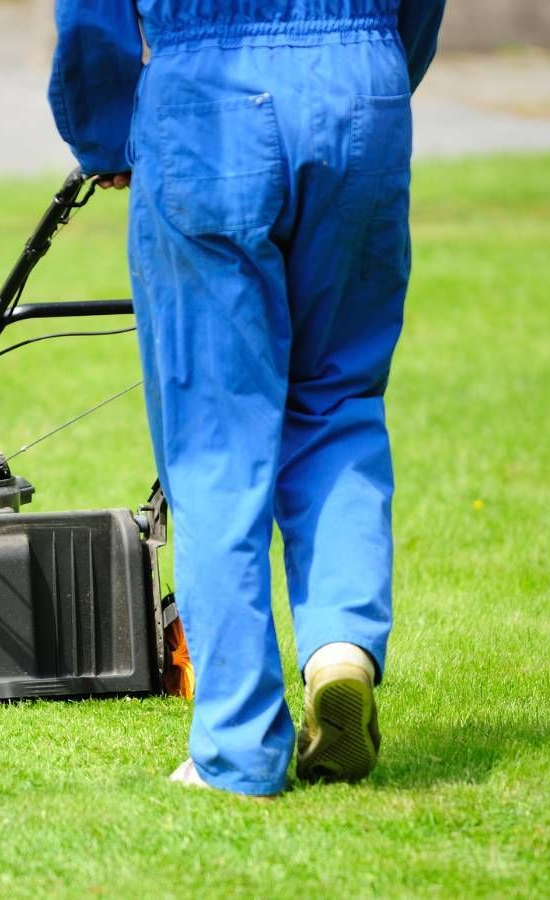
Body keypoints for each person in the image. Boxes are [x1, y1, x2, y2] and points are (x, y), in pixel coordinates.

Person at [49, 0, 445, 796]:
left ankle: (239, 748)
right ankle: (341, 651)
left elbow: (92, 11)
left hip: (209, 97)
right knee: (339, 401)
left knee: (217, 438)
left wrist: (104, 129)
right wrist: (376, 70)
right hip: (360, 91)